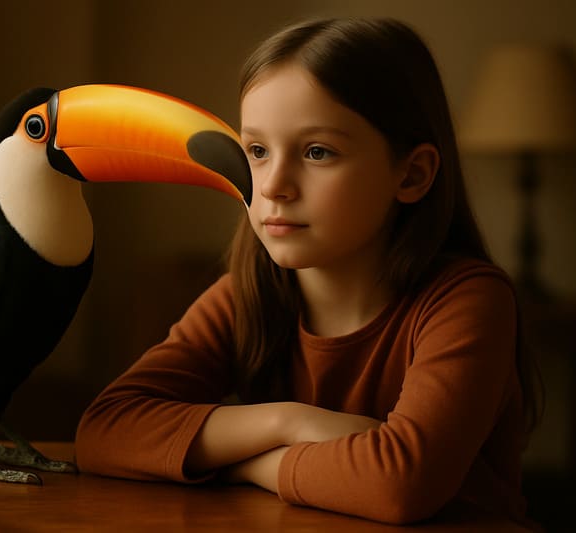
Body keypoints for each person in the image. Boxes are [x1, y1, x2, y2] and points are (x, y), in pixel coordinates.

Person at [75, 17, 541, 527]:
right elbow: (106, 428)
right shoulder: (246, 293)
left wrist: (245, 464)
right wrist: (291, 422)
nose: (274, 185)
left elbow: (400, 485)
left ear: (412, 174)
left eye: (318, 152)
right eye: (256, 151)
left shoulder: (467, 300)